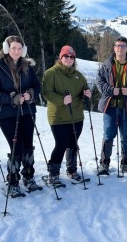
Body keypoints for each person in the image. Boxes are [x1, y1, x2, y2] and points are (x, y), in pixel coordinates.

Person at [0, 35, 42, 197]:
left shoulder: (28, 67)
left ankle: (29, 177)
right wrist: (12, 98)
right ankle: (12, 181)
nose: (16, 51)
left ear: (23, 50)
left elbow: (36, 86)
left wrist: (30, 94)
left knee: (28, 145)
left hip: (28, 112)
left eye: (19, 48)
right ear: (6, 49)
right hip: (8, 114)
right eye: (13, 48)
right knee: (16, 147)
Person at [42, 45, 91, 185]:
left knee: (73, 143)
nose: (69, 59)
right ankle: (53, 173)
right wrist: (61, 100)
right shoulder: (51, 73)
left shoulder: (78, 75)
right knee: (61, 144)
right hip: (58, 116)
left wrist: (86, 93)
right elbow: (47, 92)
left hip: (76, 115)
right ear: (60, 57)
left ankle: (71, 170)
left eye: (71, 57)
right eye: (66, 56)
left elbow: (84, 88)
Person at [96, 37, 127, 175]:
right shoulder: (106, 64)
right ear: (114, 48)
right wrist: (111, 90)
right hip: (109, 106)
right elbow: (99, 82)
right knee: (108, 135)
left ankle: (126, 163)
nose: (120, 48)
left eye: (123, 46)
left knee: (125, 135)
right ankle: (104, 164)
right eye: (118, 46)